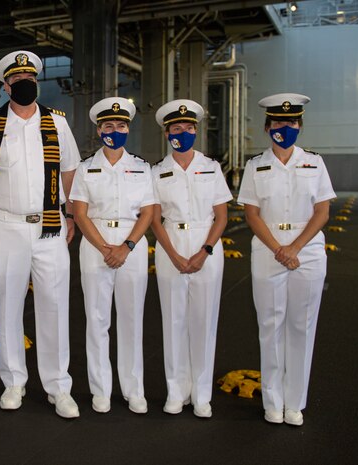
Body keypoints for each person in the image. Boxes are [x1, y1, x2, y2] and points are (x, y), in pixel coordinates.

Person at [0, 50, 81, 418]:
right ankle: (14, 382)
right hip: (6, 225)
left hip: (50, 225)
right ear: (6, 86)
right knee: (8, 305)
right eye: (17, 81)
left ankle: (58, 386)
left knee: (54, 305)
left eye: (30, 79)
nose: (25, 85)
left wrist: (69, 215)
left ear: (37, 81)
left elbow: (69, 171)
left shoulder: (57, 123)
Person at [237, 93, 335, 426]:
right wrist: (279, 248)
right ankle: (272, 401)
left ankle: (295, 402)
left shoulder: (315, 162)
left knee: (301, 326)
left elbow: (322, 211)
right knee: (270, 326)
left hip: (306, 250)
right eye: (279, 122)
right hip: (268, 248)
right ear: (268, 127)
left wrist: (293, 248)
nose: (285, 127)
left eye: (291, 122)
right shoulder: (255, 165)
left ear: (300, 126)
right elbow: (251, 213)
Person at [69, 97, 155, 414]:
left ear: (128, 129)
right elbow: (79, 212)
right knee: (97, 320)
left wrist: (127, 246)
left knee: (132, 320)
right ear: (99, 130)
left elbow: (148, 212)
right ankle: (101, 389)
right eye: (108, 125)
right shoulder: (85, 168)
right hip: (96, 245)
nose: (114, 130)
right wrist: (105, 246)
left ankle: (134, 389)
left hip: (131, 243)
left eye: (120, 125)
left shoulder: (142, 168)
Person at [150, 99, 232, 419]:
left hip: (205, 243)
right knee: (173, 322)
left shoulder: (211, 167)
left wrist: (204, 252)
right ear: (167, 132)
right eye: (176, 128)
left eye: (188, 128)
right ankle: (176, 391)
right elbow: (155, 219)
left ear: (196, 131)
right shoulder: (157, 171)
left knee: (203, 322)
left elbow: (222, 216)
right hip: (171, 242)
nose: (182, 132)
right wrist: (172, 254)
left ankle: (201, 394)